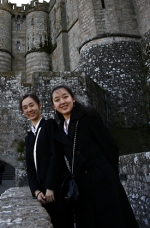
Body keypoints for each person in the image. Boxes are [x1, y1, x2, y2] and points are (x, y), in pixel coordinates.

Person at [51, 85, 139, 228]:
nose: (62, 102)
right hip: (82, 185)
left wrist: (109, 174)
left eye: (65, 97)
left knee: (112, 220)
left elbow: (110, 147)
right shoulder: (60, 129)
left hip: (102, 178)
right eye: (57, 100)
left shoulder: (88, 117)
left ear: (73, 99)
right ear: (54, 106)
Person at [20, 94, 72, 228]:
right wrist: (36, 191)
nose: (29, 110)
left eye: (32, 105)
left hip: (56, 189)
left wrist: (50, 187)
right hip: (42, 194)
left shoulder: (49, 125)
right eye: (25, 108)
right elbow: (30, 167)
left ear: (40, 105)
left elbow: (57, 156)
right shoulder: (29, 137)